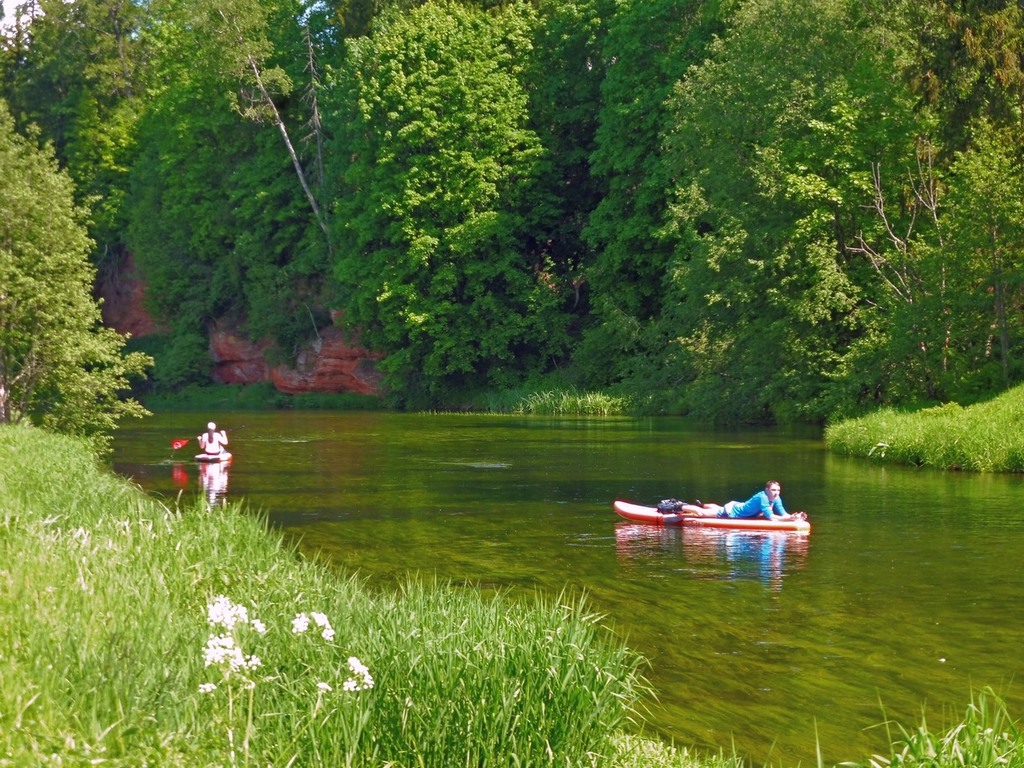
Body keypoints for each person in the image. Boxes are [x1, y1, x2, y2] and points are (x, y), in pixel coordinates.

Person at [679, 481, 807, 521]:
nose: (776, 492)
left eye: (778, 490)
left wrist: (794, 516)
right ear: (767, 490)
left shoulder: (776, 498)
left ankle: (700, 504)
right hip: (733, 512)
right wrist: (789, 520)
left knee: (717, 508)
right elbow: (771, 517)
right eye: (773, 490)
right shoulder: (763, 497)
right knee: (702, 514)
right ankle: (680, 506)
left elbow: (783, 514)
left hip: (737, 506)